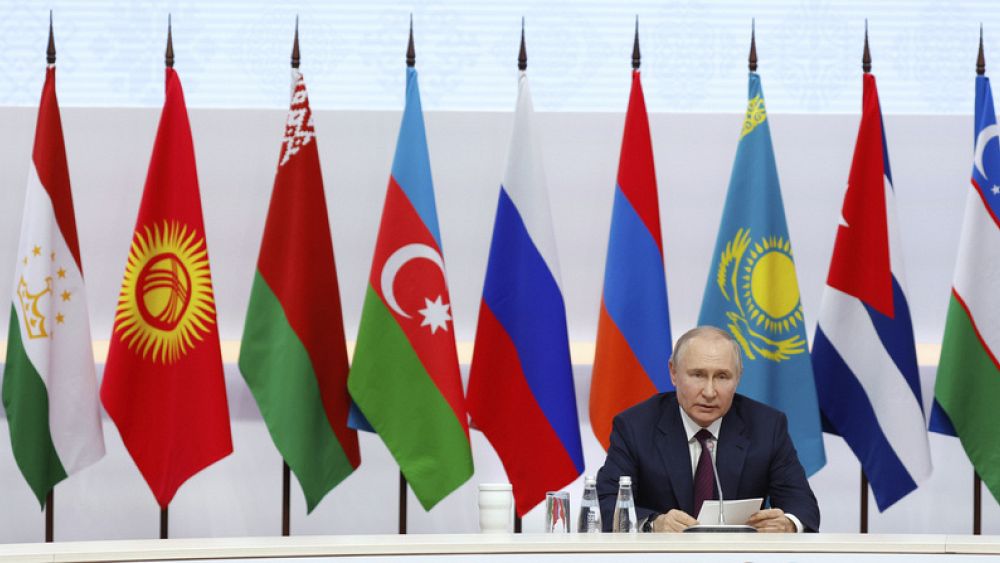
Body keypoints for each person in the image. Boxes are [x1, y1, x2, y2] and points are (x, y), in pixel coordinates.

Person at [596, 326, 820, 533]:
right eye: (698, 375)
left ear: (738, 378)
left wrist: (788, 524)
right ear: (673, 373)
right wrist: (654, 524)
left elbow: (802, 505)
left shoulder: (766, 426)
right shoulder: (636, 426)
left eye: (722, 377)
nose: (710, 392)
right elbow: (605, 504)